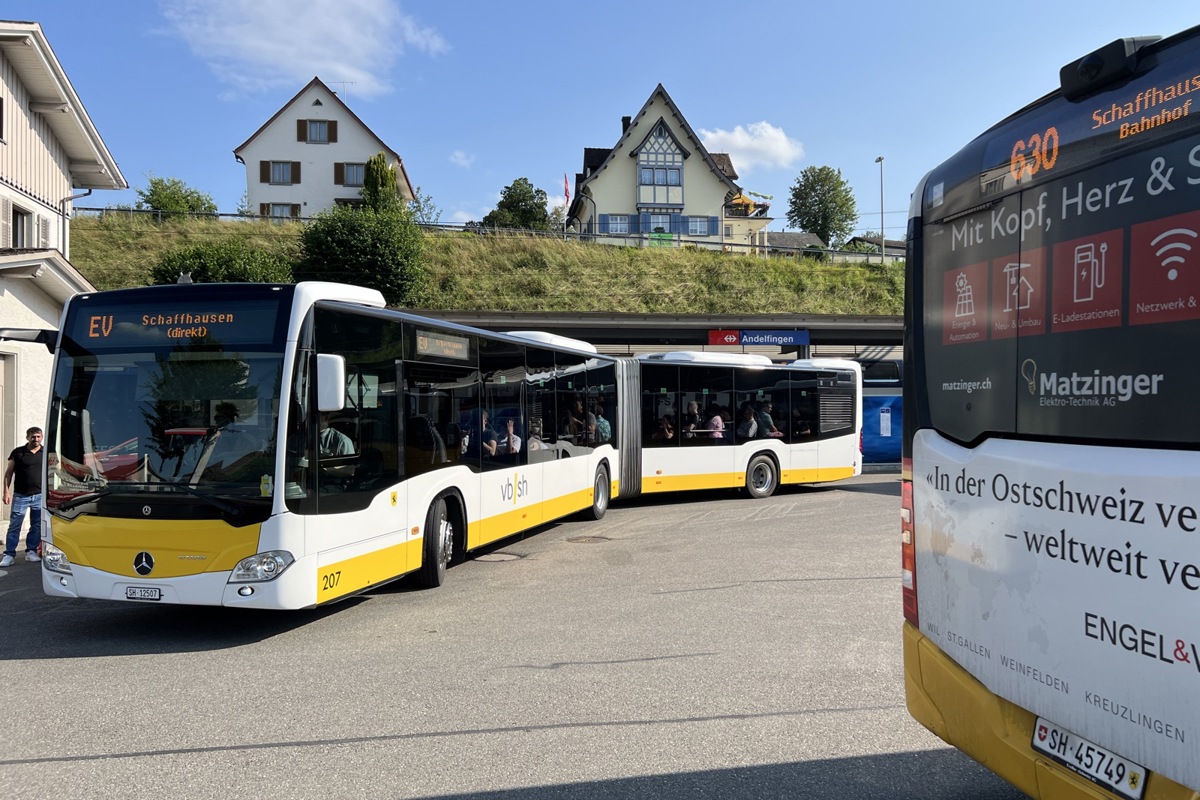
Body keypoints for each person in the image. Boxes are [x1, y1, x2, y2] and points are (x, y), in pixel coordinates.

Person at [3, 426, 43, 566]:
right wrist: (6, 492)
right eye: (33, 436)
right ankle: (9, 554)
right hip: (21, 496)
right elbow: (9, 473)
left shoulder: (46, 453)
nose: (35, 439)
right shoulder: (18, 453)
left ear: (41, 437)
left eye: (38, 436)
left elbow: (54, 472)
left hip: (40, 495)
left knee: (36, 525)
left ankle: (31, 551)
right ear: (27, 437)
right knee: (15, 525)